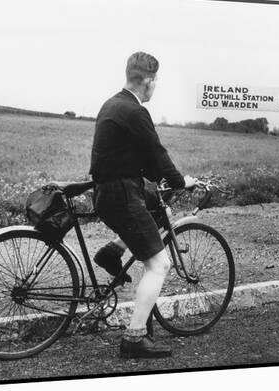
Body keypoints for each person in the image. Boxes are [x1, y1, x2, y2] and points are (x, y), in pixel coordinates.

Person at [89, 51, 196, 358]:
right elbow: (157, 152)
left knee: (157, 209)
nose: (155, 87)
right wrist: (180, 181)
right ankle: (134, 338)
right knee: (159, 265)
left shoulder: (112, 103)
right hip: (121, 194)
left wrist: (156, 178)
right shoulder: (135, 111)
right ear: (148, 81)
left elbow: (141, 157)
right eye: (155, 81)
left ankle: (113, 251)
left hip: (112, 190)